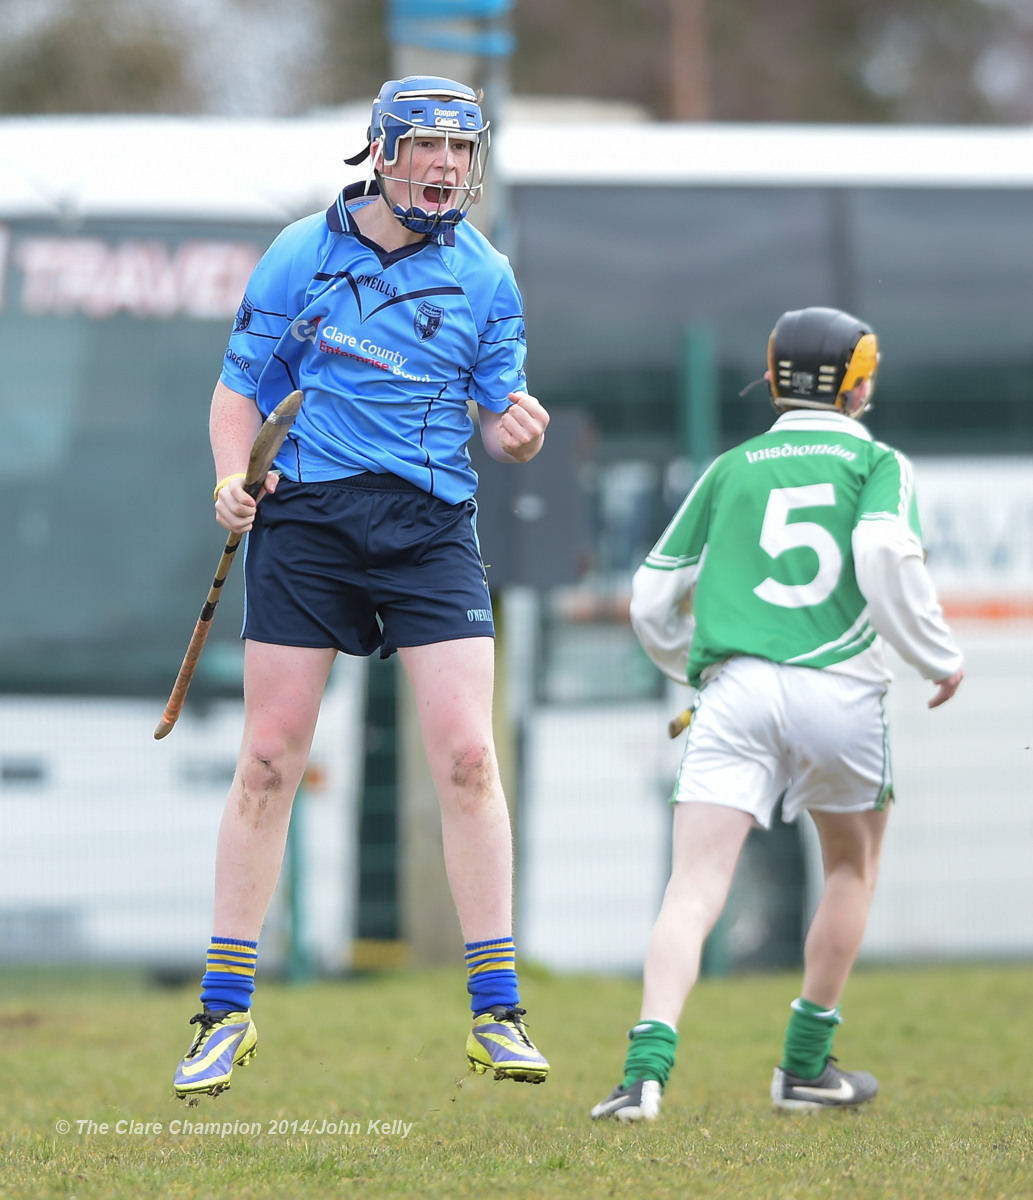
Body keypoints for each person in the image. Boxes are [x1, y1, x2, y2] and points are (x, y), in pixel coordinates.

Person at [172, 76, 550, 1100]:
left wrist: (514, 426)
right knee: (266, 759)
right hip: (310, 522)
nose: (445, 167)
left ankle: (496, 1011)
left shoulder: (488, 277)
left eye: (461, 152)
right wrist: (227, 476)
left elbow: (499, 402)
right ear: (381, 153)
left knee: (469, 757)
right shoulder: (302, 252)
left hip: (429, 528)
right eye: (426, 146)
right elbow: (238, 389)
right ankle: (224, 1013)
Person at [590, 306, 964, 1123]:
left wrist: (691, 665)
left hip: (736, 691)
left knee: (692, 886)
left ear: (771, 378)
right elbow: (882, 556)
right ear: (857, 383)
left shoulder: (730, 466)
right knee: (848, 869)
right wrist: (937, 655)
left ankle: (642, 1076)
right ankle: (802, 1070)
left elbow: (651, 595)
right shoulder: (879, 463)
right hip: (841, 692)